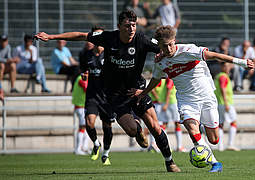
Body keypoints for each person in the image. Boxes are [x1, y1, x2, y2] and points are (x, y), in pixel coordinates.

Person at [35, 10, 180, 172]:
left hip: (137, 89)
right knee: (132, 131)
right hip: (115, 94)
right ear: (119, 26)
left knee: (154, 126)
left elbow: (165, 47)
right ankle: (138, 130)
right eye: (127, 26)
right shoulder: (109, 38)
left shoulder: (141, 39)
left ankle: (170, 162)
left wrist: (162, 53)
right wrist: (52, 37)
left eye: (133, 25)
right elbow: (80, 35)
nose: (131, 29)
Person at [135, 25, 254, 172]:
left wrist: (241, 62)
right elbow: (155, 79)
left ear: (175, 41)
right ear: (159, 46)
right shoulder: (160, 62)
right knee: (192, 129)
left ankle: (202, 137)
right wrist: (143, 92)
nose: (169, 49)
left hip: (206, 96)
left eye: (171, 45)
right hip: (186, 101)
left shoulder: (188, 50)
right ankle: (215, 163)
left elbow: (215, 56)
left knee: (214, 139)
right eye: (164, 47)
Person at [79, 26, 116, 166]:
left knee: (107, 127)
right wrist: (84, 75)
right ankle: (96, 144)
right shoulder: (85, 54)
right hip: (92, 95)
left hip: (107, 97)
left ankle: (106, 154)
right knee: (89, 123)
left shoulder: (110, 54)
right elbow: (83, 69)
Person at [149, 78, 186, 152]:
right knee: (174, 123)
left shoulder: (164, 79)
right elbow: (168, 90)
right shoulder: (169, 78)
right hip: (172, 103)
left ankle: (161, 145)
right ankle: (178, 146)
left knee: (163, 124)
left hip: (165, 103)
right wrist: (165, 103)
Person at [214, 62, 239, 151]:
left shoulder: (218, 76)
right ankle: (230, 144)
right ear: (222, 67)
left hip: (219, 103)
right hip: (226, 103)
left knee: (220, 124)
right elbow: (223, 89)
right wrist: (226, 103)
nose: (228, 67)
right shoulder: (223, 76)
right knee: (233, 122)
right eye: (226, 66)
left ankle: (220, 146)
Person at [72, 74, 90, 155]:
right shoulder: (81, 79)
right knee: (82, 127)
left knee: (86, 127)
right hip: (81, 107)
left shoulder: (80, 78)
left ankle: (84, 147)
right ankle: (78, 149)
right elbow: (87, 89)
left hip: (82, 106)